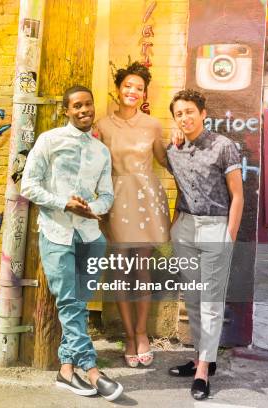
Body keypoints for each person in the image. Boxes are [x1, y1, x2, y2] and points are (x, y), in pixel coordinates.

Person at [21, 85, 124, 401]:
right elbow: (28, 186)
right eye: (77, 106)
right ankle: (92, 371)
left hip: (91, 238)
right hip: (57, 234)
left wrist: (94, 209)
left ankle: (66, 371)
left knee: (77, 305)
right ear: (66, 110)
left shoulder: (101, 151)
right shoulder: (49, 141)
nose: (84, 111)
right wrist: (65, 203)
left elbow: (107, 194)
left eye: (88, 105)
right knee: (69, 302)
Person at [165, 89, 244, 400]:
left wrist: (229, 236)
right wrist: (173, 226)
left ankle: (202, 372)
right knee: (194, 301)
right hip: (184, 228)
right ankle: (202, 358)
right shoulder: (173, 150)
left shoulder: (224, 146)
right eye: (179, 114)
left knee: (211, 302)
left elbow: (238, 195)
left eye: (189, 112)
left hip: (215, 229)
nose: (185, 118)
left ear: (202, 113)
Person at [95, 61, 171, 368]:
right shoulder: (103, 125)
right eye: (128, 86)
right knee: (119, 272)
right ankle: (128, 336)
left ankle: (141, 333)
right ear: (118, 89)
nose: (133, 92)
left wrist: (186, 146)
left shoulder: (152, 125)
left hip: (148, 201)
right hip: (116, 201)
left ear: (144, 94)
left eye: (139, 88)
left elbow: (164, 160)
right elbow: (96, 168)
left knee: (143, 271)